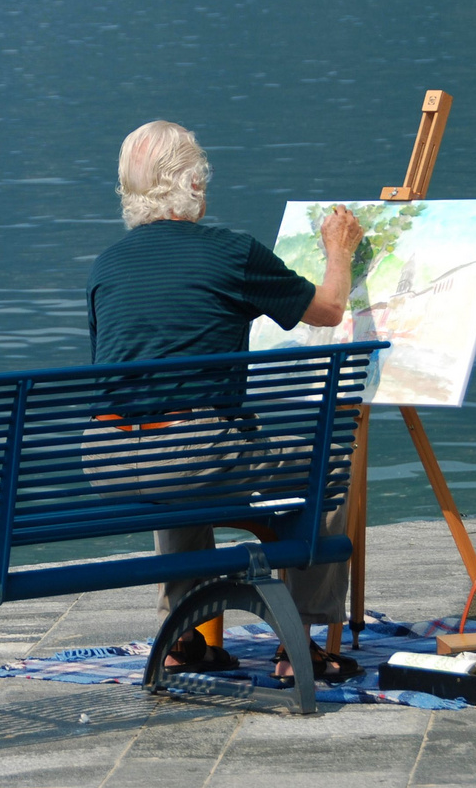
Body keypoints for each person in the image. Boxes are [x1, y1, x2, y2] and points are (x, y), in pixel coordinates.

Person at [84, 119, 364, 680]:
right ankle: (299, 647)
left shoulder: (107, 266)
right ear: (191, 185)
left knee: (173, 461)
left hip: (108, 455)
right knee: (329, 471)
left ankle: (182, 636)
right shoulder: (231, 253)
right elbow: (331, 310)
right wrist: (339, 249)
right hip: (194, 453)